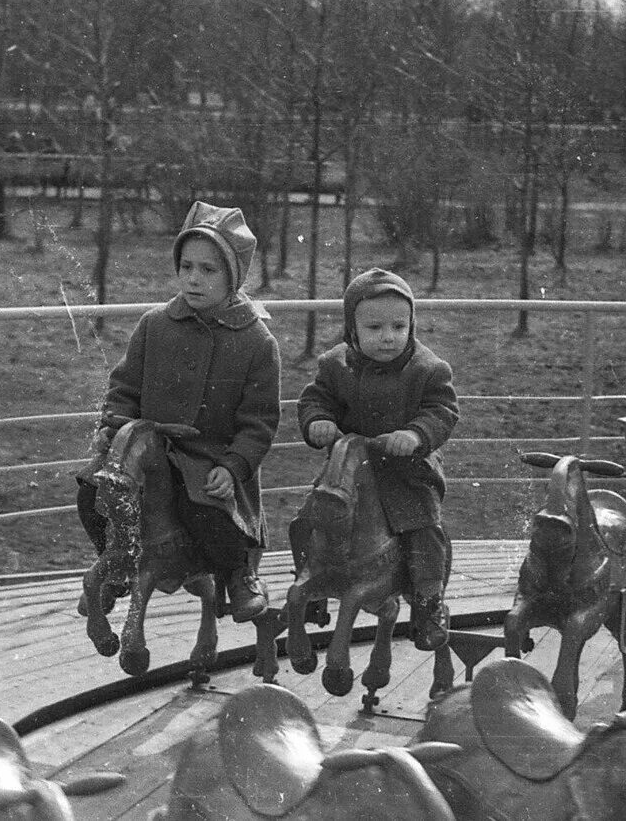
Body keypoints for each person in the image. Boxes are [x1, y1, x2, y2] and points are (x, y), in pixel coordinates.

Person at [77, 201, 281, 623]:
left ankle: (237, 575)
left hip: (208, 456)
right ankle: (116, 564)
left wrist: (233, 465)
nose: (193, 278)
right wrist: (112, 426)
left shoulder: (257, 342)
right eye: (186, 266)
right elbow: (125, 387)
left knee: (207, 513)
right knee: (91, 494)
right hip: (146, 448)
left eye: (209, 270)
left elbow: (258, 421)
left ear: (233, 277)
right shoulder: (155, 325)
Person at [290, 267, 459, 650]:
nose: (388, 337)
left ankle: (429, 601)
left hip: (407, 471)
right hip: (352, 465)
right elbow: (316, 398)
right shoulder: (336, 365)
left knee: (424, 528)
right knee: (308, 516)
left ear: (412, 325)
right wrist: (318, 421)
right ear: (353, 329)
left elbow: (441, 411)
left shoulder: (428, 369)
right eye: (375, 328)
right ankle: (311, 582)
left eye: (399, 327)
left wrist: (415, 434)